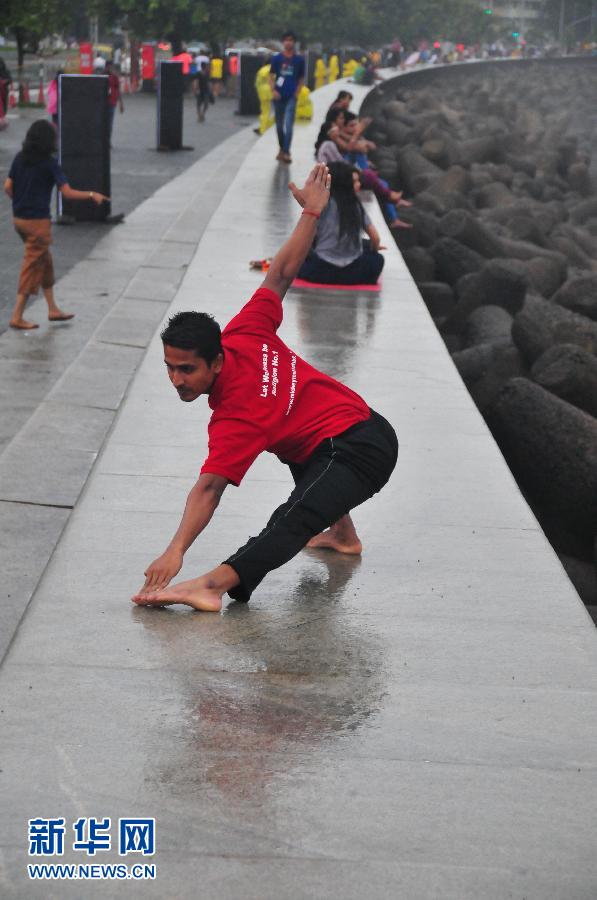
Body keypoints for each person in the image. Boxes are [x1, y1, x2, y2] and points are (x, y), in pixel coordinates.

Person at [132, 163, 398, 612]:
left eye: (186, 369)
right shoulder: (244, 332)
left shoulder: (237, 414)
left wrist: (175, 550)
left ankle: (212, 586)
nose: (176, 380)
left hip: (361, 447)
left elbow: (209, 489)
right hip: (348, 431)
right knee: (302, 449)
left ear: (216, 360)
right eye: (170, 368)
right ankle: (343, 536)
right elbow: (280, 274)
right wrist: (311, 214)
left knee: (293, 519)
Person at [4, 120, 109, 330]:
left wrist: (20, 201)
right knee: (31, 266)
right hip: (38, 223)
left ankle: (52, 308)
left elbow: (8, 186)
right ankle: (17, 316)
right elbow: (67, 192)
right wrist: (91, 194)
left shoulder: (20, 158)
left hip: (19, 220)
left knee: (45, 261)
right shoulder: (50, 163)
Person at [315, 111, 412, 230]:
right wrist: (359, 132)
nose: (338, 126)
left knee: (374, 178)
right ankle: (393, 202)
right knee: (370, 176)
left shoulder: (332, 142)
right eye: (336, 124)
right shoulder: (329, 144)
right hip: (337, 177)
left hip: (338, 174)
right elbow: (344, 156)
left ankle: (393, 205)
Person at [297, 162, 384, 286]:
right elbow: (376, 238)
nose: (358, 185)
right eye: (354, 181)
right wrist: (372, 251)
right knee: (377, 258)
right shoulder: (356, 206)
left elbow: (307, 239)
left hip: (320, 271)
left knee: (301, 258)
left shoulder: (321, 205)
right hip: (353, 274)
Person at [269, 31, 305, 163]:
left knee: (289, 125)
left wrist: (297, 92)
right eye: (286, 40)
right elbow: (271, 76)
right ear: (283, 42)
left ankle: (286, 151)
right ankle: (282, 148)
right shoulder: (277, 58)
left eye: (291, 40)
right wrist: (273, 90)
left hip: (291, 96)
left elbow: (301, 78)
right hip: (278, 96)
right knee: (279, 126)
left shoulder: (299, 60)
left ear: (294, 42)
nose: (288, 42)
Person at [105, 60, 124, 142]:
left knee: (109, 124)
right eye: (109, 67)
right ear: (106, 67)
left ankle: (108, 141)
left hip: (112, 102)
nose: (110, 69)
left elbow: (118, 89)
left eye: (111, 67)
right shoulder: (101, 76)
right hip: (102, 103)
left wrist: (121, 103)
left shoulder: (114, 77)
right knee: (103, 123)